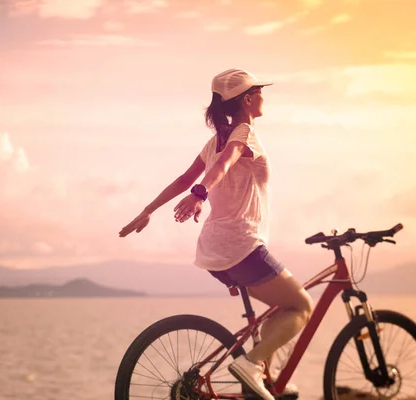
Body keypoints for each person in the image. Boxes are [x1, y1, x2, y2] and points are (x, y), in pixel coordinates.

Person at [119, 68, 313, 400]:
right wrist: (200, 194)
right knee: (301, 306)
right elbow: (223, 166)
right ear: (248, 99)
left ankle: (265, 379)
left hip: (214, 253)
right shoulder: (244, 135)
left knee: (275, 312)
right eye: (260, 91)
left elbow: (184, 178)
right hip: (242, 245)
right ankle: (251, 365)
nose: (265, 96)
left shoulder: (215, 142)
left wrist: (149, 209)